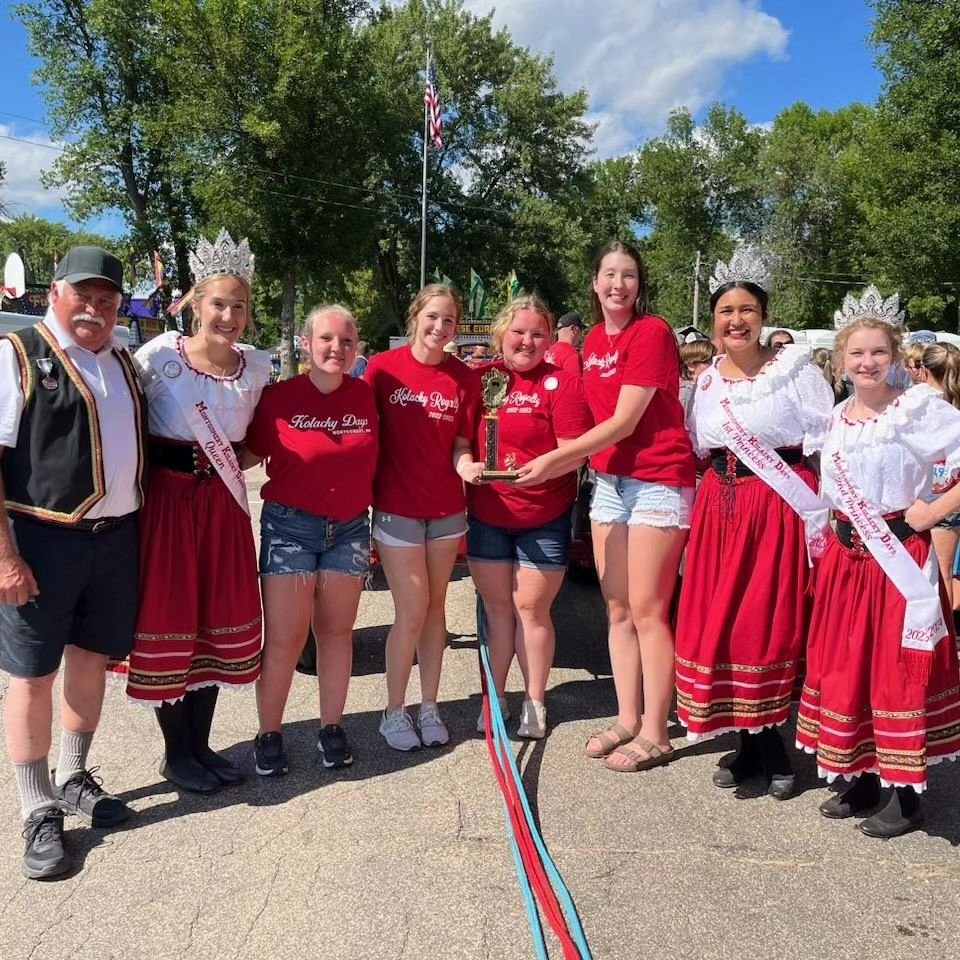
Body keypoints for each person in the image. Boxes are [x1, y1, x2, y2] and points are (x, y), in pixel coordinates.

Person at [517, 241, 695, 772]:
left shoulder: (653, 332)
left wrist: (554, 460)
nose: (619, 284)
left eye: (630, 275)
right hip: (612, 483)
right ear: (594, 283)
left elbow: (624, 422)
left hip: (658, 481)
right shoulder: (592, 339)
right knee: (615, 608)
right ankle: (627, 716)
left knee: (647, 608)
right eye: (609, 275)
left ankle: (658, 731)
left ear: (640, 285)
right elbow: (573, 409)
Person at [0, 246, 147, 879]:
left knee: (91, 661)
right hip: (41, 541)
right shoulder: (17, 354)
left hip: (116, 538)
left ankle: (72, 774)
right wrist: (5, 557)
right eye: (84, 293)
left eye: (108, 298)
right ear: (53, 291)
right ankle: (36, 807)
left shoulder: (122, 360)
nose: (96, 306)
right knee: (32, 676)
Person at [797, 287, 960, 838]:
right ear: (841, 360)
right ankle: (860, 775)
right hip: (847, 557)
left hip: (898, 558)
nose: (867, 363)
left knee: (895, 672)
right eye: (857, 354)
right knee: (849, 665)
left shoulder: (918, 408)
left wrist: (932, 510)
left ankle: (905, 794)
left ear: (896, 357)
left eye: (879, 353)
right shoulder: (839, 415)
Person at [675, 247, 835, 800]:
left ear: (763, 316)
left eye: (746, 309)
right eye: (725, 311)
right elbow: (699, 449)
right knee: (725, 623)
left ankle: (772, 748)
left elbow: (824, 447)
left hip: (776, 507)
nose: (736, 320)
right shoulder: (709, 381)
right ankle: (748, 743)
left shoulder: (795, 372)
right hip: (720, 506)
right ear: (714, 322)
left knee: (765, 624)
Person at [123, 230, 271, 794]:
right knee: (173, 618)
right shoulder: (159, 357)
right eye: (218, 304)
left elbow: (259, 440)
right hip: (166, 506)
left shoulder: (255, 369)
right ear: (195, 303)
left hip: (223, 505)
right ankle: (175, 754)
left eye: (238, 306)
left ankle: (201, 746)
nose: (228, 315)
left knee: (215, 620)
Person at [244, 306, 378, 775]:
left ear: (357, 347)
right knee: (284, 639)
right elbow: (242, 454)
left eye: (346, 341)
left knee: (336, 635)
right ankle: (269, 733)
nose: (336, 349)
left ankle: (331, 728)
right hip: (289, 528)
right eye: (326, 339)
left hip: (349, 529)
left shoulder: (367, 397)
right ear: (306, 343)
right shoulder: (278, 397)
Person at [459, 296, 592, 738]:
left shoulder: (564, 384)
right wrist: (465, 465)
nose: (527, 341)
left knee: (531, 609)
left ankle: (534, 701)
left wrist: (543, 468)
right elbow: (463, 440)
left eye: (538, 333)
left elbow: (575, 452)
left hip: (544, 515)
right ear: (501, 334)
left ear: (550, 339)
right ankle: (494, 700)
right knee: (498, 612)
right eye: (519, 332)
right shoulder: (482, 379)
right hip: (490, 513)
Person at [364, 284, 481, 751]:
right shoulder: (381, 370)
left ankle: (429, 704)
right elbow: (362, 432)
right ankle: (394, 711)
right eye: (433, 317)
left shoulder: (464, 379)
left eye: (449, 320)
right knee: (411, 609)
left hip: (447, 510)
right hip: (396, 509)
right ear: (415, 316)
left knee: (435, 610)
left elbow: (461, 442)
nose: (439, 327)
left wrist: (466, 464)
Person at [917, 342, 960, 626]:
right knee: (942, 570)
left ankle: (937, 634)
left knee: (936, 571)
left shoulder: (916, 407)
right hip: (951, 498)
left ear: (923, 370)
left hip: (928, 499)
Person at [677, 339, 716, 411]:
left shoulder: (711, 387)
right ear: (690, 365)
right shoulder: (686, 393)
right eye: (707, 361)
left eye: (714, 361)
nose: (713, 365)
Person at [544, 312, 583, 376]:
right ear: (574, 329)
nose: (581, 333)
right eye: (581, 329)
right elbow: (575, 385)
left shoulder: (548, 352)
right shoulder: (571, 355)